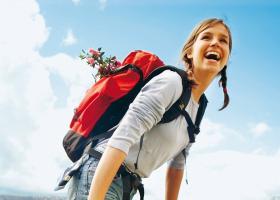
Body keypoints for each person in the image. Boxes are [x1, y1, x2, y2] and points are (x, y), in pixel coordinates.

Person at [67, 17, 232, 200]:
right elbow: (122, 138)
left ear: (227, 57)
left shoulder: (199, 108)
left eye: (223, 40)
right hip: (99, 172)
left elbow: (177, 165)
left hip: (126, 185)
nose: (216, 43)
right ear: (190, 52)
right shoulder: (171, 83)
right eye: (207, 37)